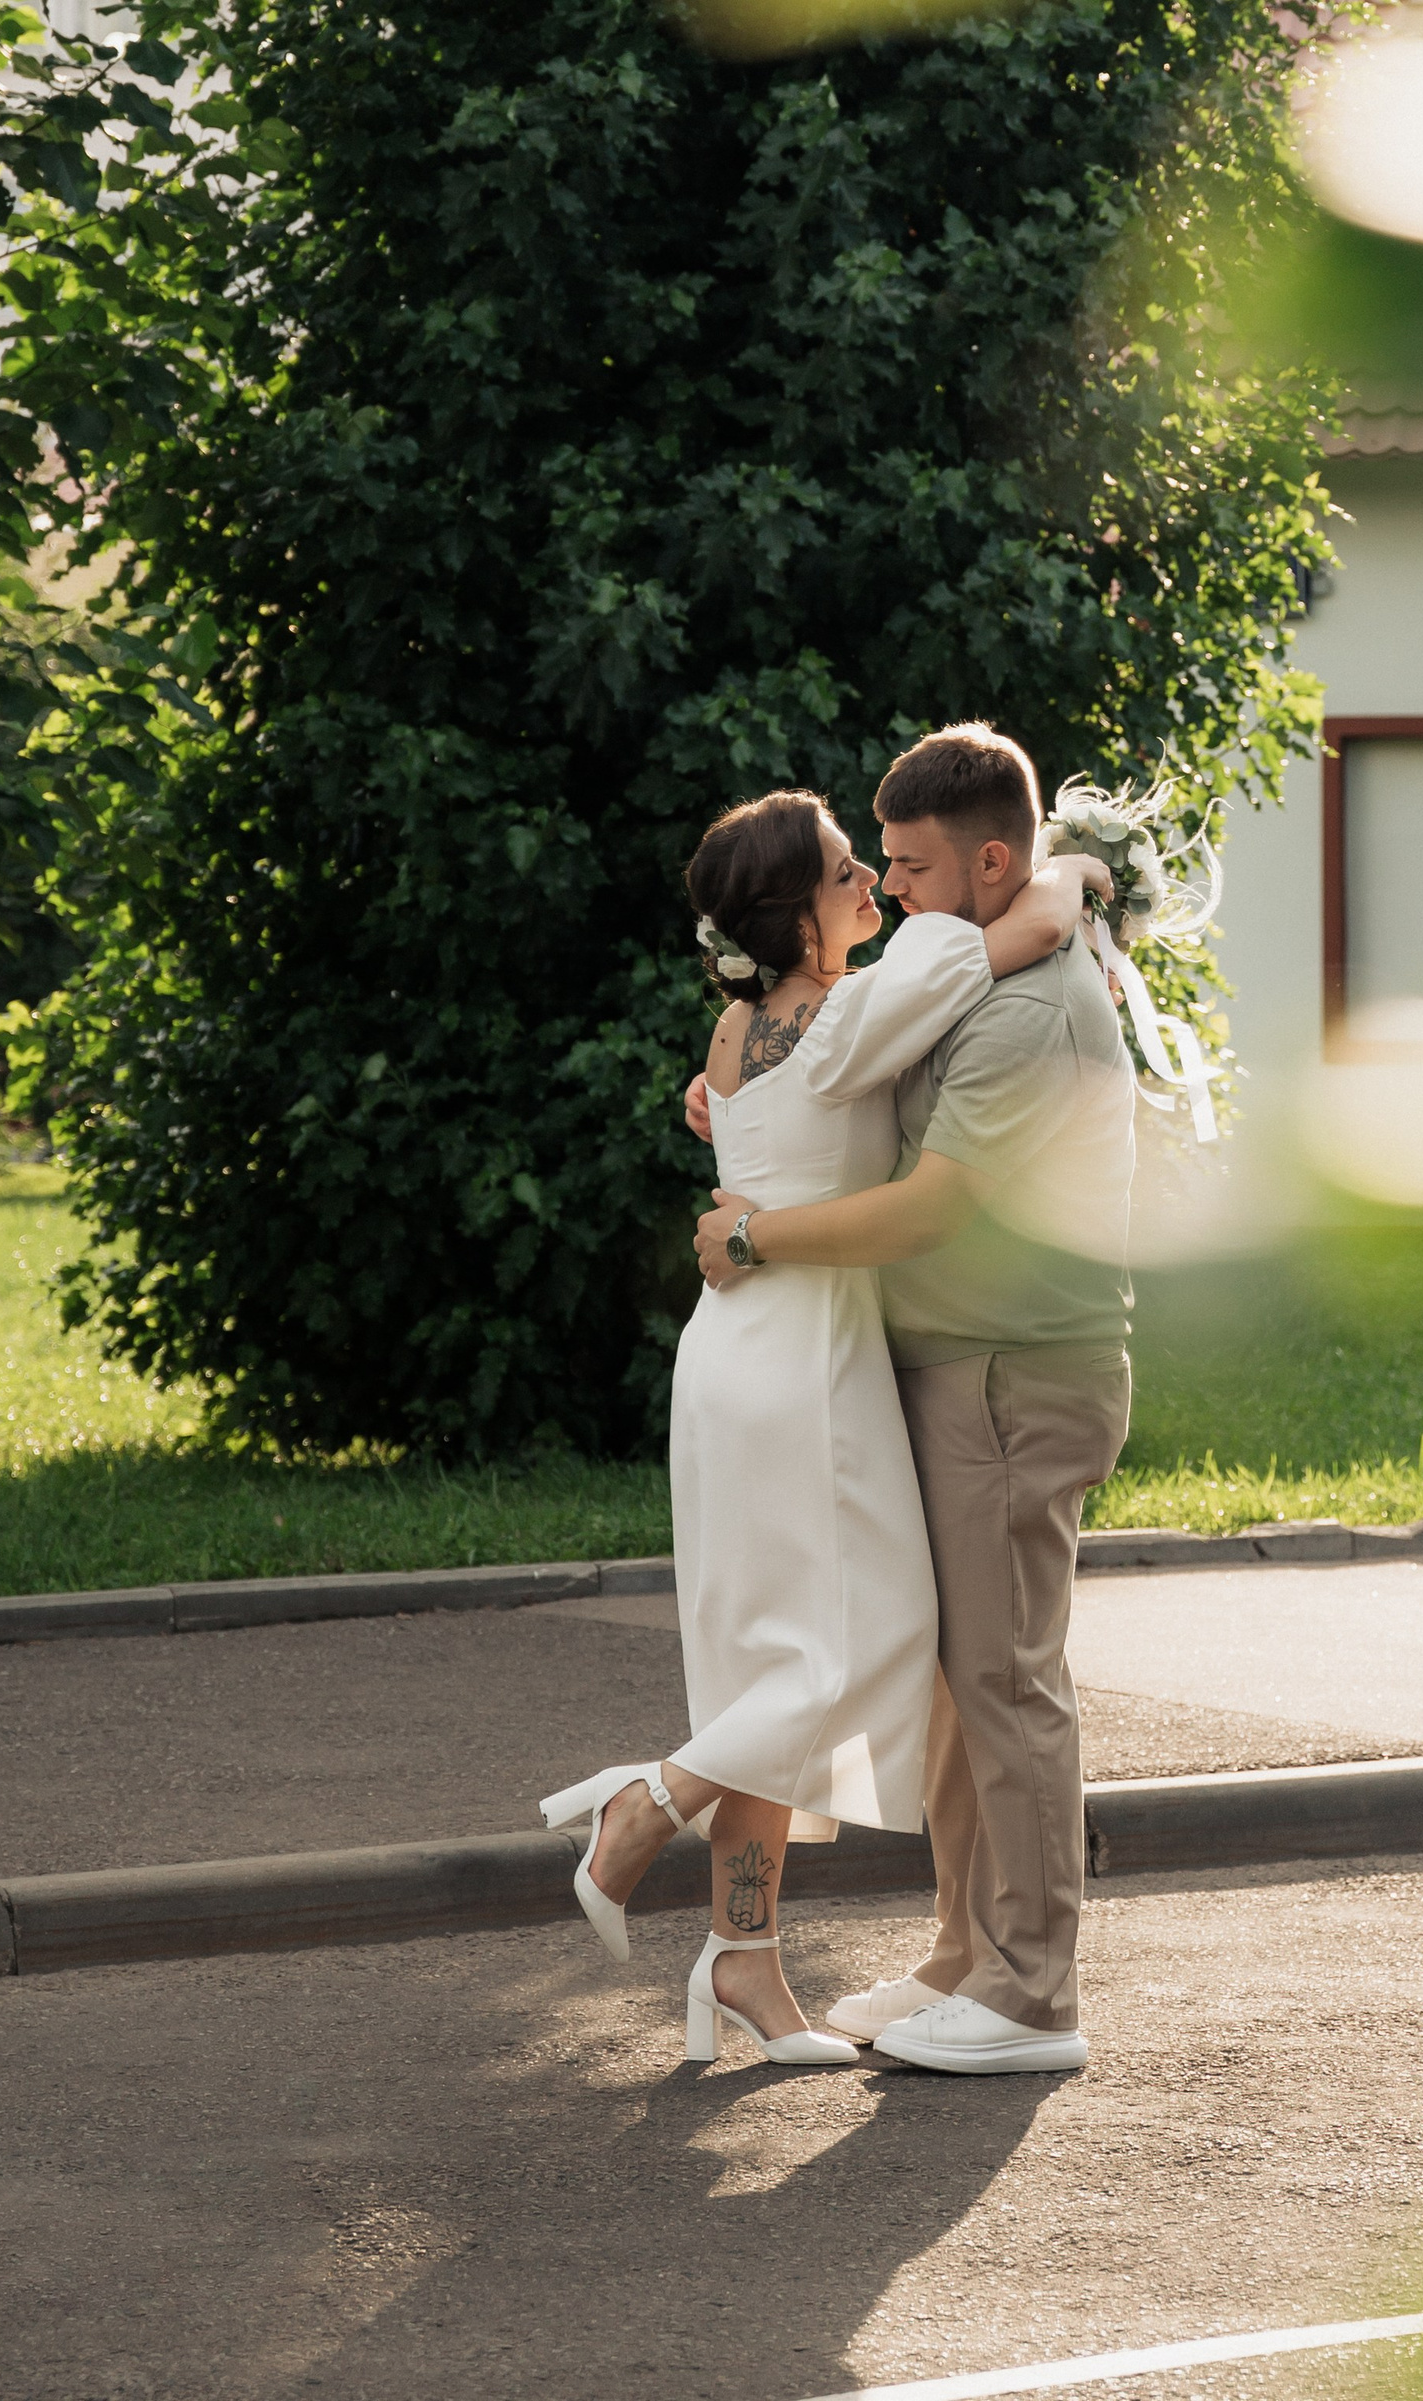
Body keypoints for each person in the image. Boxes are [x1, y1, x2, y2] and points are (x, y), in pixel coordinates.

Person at [540, 786, 1107, 2069]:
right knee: (877, 1640)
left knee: (763, 1656)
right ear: (797, 915)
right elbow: (993, 940)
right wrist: (1071, 878)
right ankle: (652, 1799)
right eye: (853, 874)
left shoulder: (735, 1036)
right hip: (806, 1358)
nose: (875, 889)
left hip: (726, 1353)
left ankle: (743, 1961)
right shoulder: (850, 1013)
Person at [692, 722, 1138, 2077]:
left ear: (994, 860)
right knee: (957, 1685)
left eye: (908, 864)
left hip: (1014, 1370)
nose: (885, 889)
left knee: (1004, 1683)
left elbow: (932, 1207)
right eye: (869, 864)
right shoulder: (969, 959)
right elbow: (832, 1067)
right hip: (950, 1368)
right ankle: (966, 1955)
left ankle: (1035, 1994)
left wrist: (757, 1237)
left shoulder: (1023, 1005)